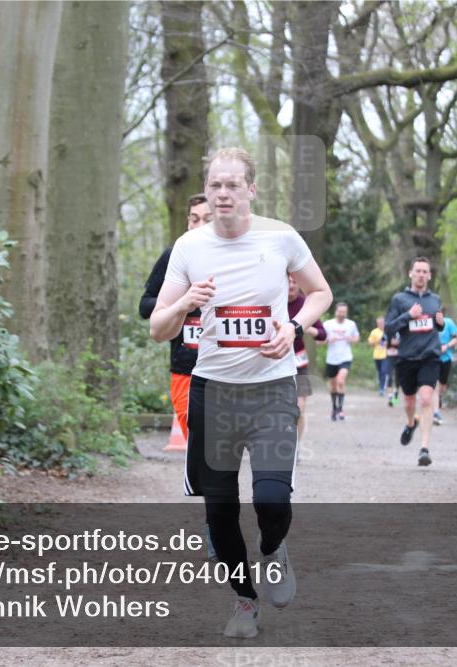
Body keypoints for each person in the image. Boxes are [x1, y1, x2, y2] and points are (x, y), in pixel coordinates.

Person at [149, 147, 332, 638]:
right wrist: (187, 299)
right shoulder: (189, 248)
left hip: (271, 390)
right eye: (215, 185)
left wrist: (293, 327)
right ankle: (245, 601)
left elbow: (320, 293)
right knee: (220, 511)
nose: (223, 193)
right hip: (214, 394)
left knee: (272, 500)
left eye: (233, 184)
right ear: (206, 192)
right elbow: (157, 327)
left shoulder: (281, 239)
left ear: (251, 189)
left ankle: (273, 549)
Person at [139, 194, 212, 440]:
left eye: (207, 219)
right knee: (196, 445)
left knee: (219, 450)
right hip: (185, 367)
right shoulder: (173, 256)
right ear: (188, 223)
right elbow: (145, 305)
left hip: (224, 369)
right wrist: (183, 304)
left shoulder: (233, 258)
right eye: (194, 219)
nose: (199, 225)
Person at [384, 257, 445, 467]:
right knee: (409, 401)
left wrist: (441, 324)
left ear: (429, 275)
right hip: (406, 357)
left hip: (430, 356)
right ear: (410, 273)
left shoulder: (435, 299)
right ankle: (411, 423)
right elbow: (389, 329)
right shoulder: (399, 299)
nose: (421, 275)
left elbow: (437, 327)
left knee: (426, 399)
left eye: (425, 271)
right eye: (417, 271)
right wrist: (408, 316)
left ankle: (424, 449)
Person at [288, 275, 327, 443]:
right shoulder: (274, 300)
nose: (291, 285)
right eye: (288, 281)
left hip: (299, 362)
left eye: (295, 282)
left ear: (299, 284)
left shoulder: (305, 304)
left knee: (299, 407)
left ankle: (296, 445)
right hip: (275, 361)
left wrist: (308, 328)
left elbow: (322, 334)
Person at [322, 302, 359, 421]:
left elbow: (357, 338)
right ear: (336, 312)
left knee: (341, 381)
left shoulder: (351, 324)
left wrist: (351, 339)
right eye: (340, 312)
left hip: (345, 357)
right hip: (331, 359)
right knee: (333, 385)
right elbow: (319, 341)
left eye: (344, 312)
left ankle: (341, 409)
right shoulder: (328, 324)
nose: (342, 314)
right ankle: (334, 408)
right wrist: (328, 340)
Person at [433, 316, 457, 425]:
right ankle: (435, 409)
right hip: (433, 358)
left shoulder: (449, 323)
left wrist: (446, 346)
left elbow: (456, 339)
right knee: (435, 384)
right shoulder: (430, 323)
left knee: (443, 384)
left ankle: (438, 396)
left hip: (446, 358)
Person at [367, 316, 389, 395]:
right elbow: (370, 343)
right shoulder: (374, 332)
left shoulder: (388, 330)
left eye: (382, 323)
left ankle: (382, 388)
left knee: (384, 371)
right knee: (380, 372)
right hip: (377, 355)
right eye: (379, 323)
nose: (381, 324)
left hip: (386, 355)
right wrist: (377, 341)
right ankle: (381, 385)